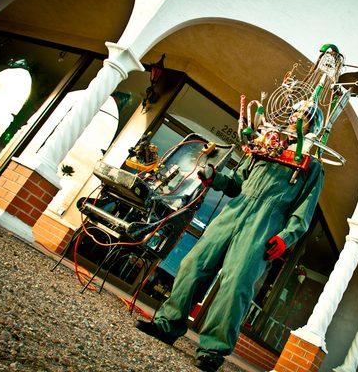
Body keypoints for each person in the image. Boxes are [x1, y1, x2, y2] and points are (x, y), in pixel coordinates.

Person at [136, 123, 324, 372]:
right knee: (194, 263)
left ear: (312, 129)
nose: (294, 125)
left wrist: (286, 237)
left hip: (265, 224)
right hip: (234, 211)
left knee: (237, 284)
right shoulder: (263, 149)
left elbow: (304, 211)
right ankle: (167, 325)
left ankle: (213, 351)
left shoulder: (312, 167)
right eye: (293, 119)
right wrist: (215, 177)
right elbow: (236, 183)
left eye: (305, 121)